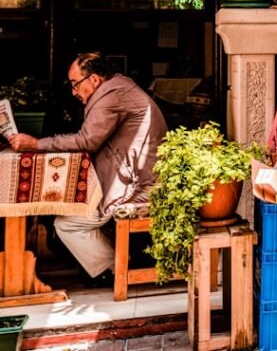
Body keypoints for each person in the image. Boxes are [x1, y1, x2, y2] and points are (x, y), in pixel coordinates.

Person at [8, 53, 167, 287]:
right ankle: (115, 264)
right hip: (139, 178)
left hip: (142, 185)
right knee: (73, 210)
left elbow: (87, 141)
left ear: (94, 79)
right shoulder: (118, 89)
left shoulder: (111, 95)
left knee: (68, 223)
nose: (73, 92)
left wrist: (36, 144)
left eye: (75, 84)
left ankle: (113, 271)